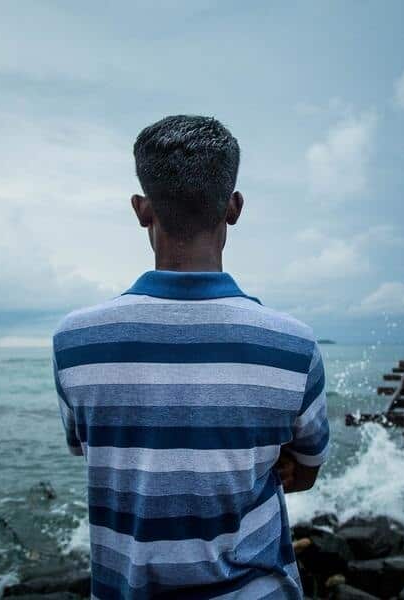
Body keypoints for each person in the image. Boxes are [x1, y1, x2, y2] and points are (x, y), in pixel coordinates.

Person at [52, 115, 330, 599]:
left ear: (142, 209)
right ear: (234, 207)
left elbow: (91, 448)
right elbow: (305, 470)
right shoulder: (293, 345)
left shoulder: (75, 341)